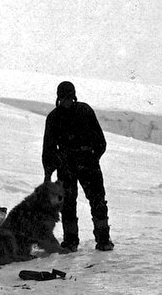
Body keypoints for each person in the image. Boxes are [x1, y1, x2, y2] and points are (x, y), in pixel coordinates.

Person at [42, 81, 114, 251]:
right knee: (67, 204)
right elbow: (49, 148)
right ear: (58, 98)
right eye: (63, 98)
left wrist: (93, 158)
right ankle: (70, 241)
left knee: (97, 201)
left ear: (74, 97)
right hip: (66, 165)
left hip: (87, 163)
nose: (66, 101)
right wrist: (48, 172)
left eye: (68, 98)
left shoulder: (85, 111)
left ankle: (103, 240)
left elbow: (100, 140)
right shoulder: (53, 117)